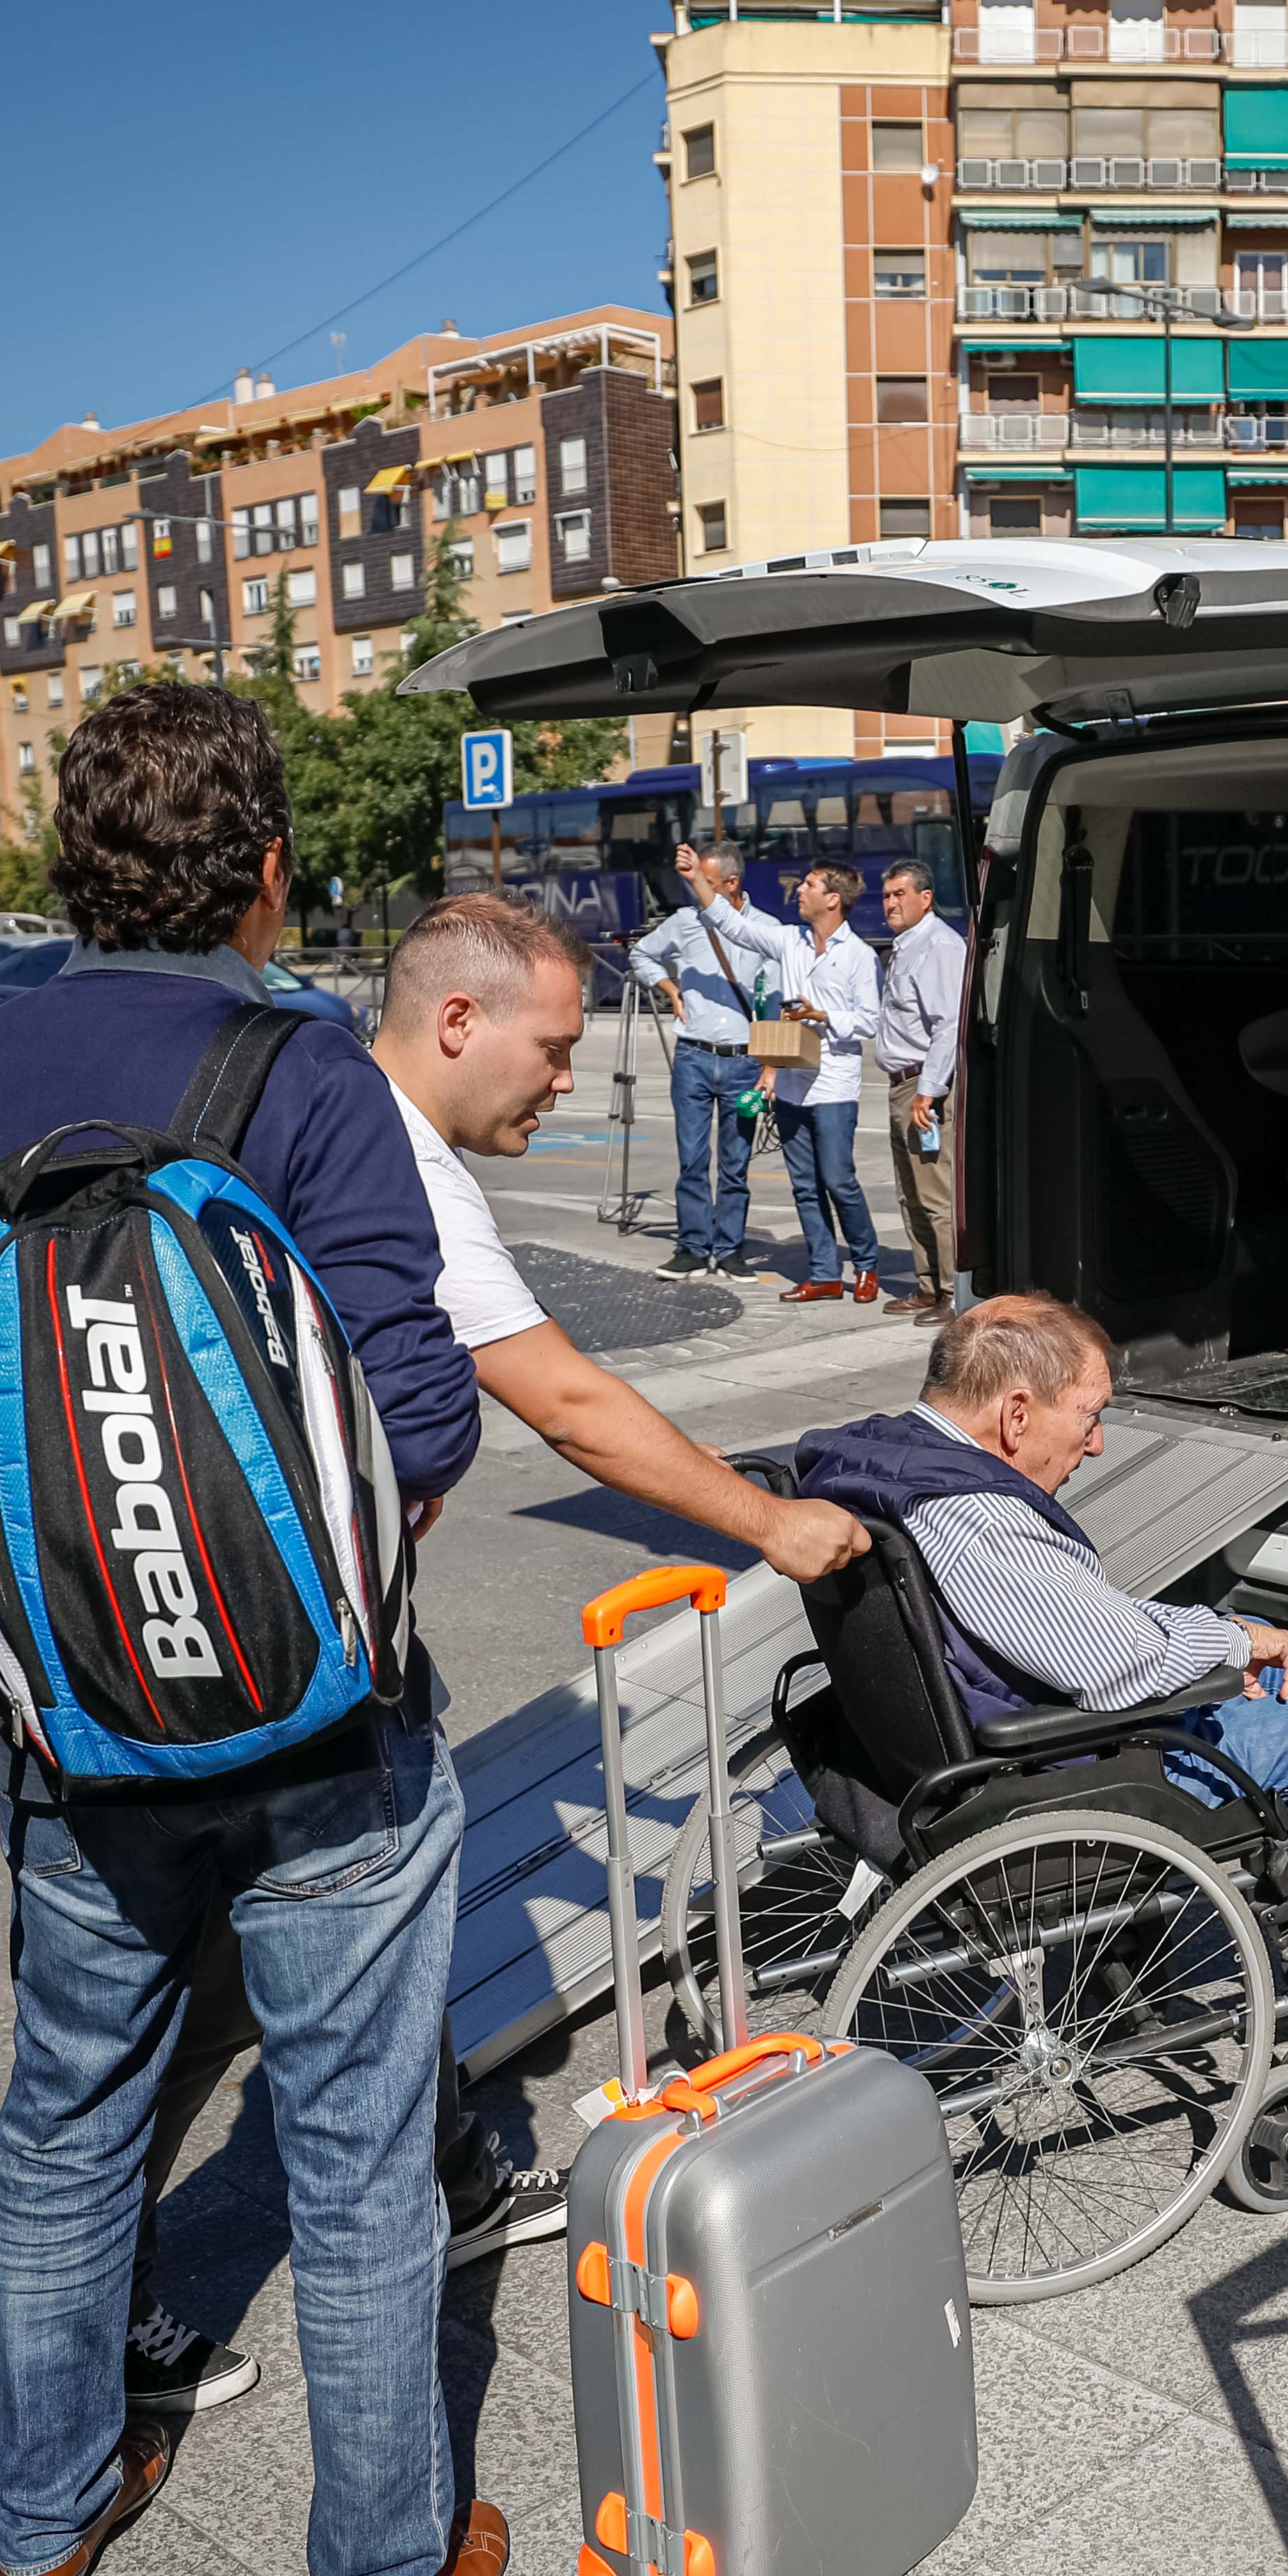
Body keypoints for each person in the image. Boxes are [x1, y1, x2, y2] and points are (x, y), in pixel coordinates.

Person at [0, 683, 505, 2576]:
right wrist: (279, 1589)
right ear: (263, 874)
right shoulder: (301, 1070)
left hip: (73, 1728)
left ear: (67, 871)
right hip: (323, 1728)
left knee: (66, 2116)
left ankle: (44, 2517)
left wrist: (106, 1595)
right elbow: (419, 1409)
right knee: (351, 2146)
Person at [129, 894, 872, 2348]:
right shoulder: (391, 1155)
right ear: (455, 1022)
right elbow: (573, 1405)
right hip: (296, 1659)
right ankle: (150, 2332)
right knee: (238, 1989)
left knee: (306, 1963)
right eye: (547, 1042)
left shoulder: (288, 1104)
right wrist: (769, 1524)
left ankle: (452, 2176)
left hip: (176, 1622)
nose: (566, 1072)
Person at [792, 1292, 1288, 2049]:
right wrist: (1235, 1644)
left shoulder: (885, 1461)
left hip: (980, 1744)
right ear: (1014, 1414)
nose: (1096, 1443)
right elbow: (1111, 1665)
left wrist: (1215, 1634)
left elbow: (1072, 1628)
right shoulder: (978, 1518)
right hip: (1080, 1768)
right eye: (1089, 1415)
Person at [675, 844, 881, 1306]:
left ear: (833, 899)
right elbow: (733, 925)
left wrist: (821, 1014)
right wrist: (696, 880)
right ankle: (824, 1272)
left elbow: (870, 1020)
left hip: (832, 1084)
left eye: (809, 884)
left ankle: (865, 1263)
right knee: (804, 1186)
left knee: (838, 1180)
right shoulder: (790, 940)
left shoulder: (858, 956)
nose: (799, 890)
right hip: (790, 1081)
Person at [629, 838, 765, 1285]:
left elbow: (780, 996)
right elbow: (641, 953)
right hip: (693, 1058)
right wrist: (670, 991)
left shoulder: (764, 928)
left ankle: (729, 1250)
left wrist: (773, 1066)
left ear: (731, 883)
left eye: (704, 883)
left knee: (736, 1163)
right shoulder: (687, 922)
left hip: (746, 1062)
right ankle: (691, 1247)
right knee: (691, 1160)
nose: (696, 891)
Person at [875, 858, 965, 1326]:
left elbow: (947, 1026)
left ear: (924, 898)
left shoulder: (938, 947)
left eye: (899, 894)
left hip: (921, 1087)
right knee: (910, 1194)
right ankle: (927, 1285)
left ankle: (952, 1294)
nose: (890, 903)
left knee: (935, 1196)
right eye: (887, 895)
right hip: (900, 1084)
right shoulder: (906, 946)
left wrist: (927, 1092)